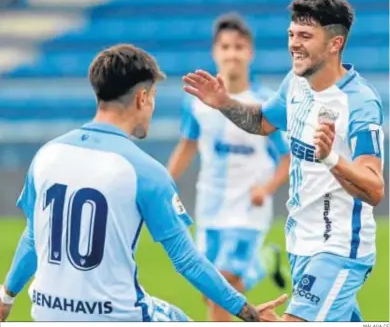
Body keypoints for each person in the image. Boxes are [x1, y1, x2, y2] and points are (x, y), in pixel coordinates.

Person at [0, 44, 288, 322]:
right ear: (142, 98)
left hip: (47, 313)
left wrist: (6, 297)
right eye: (153, 96)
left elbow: (33, 237)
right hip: (116, 316)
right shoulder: (144, 171)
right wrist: (249, 313)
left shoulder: (46, 155)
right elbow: (186, 260)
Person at [181, 0, 384, 322]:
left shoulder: (360, 103)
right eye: (292, 34)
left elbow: (375, 188)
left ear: (335, 43)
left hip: (338, 250)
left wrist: (331, 158)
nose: (294, 43)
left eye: (305, 36)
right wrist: (224, 103)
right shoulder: (295, 83)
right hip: (300, 244)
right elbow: (262, 122)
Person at [167, 13, 289, 322]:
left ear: (250, 52)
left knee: (222, 282)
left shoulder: (265, 104)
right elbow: (188, 145)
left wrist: (267, 188)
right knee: (209, 290)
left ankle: (254, 266)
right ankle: (264, 261)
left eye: (239, 46)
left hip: (247, 209)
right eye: (225, 47)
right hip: (210, 206)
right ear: (215, 52)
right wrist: (164, 184)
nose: (232, 53)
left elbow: (288, 158)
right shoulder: (197, 101)